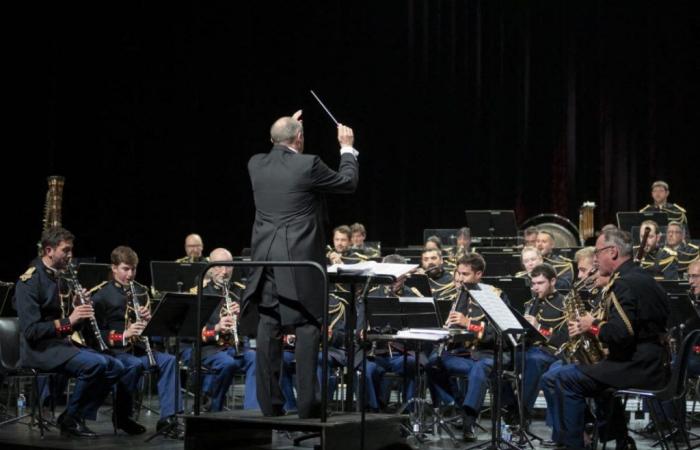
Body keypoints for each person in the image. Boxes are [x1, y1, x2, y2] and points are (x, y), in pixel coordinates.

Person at [241, 110, 359, 418]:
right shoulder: (309, 165)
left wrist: (292, 129)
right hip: (300, 264)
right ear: (300, 138)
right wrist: (346, 148)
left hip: (267, 260)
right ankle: (308, 405)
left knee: (269, 325)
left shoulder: (255, 164)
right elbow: (347, 182)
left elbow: (280, 152)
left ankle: (271, 405)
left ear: (272, 139)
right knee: (307, 326)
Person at [543, 228, 669, 449]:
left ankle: (574, 444)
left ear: (612, 252)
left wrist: (591, 325)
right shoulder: (643, 277)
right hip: (656, 362)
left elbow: (621, 334)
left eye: (598, 252)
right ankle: (619, 439)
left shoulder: (624, 283)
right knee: (584, 373)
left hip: (639, 366)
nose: (596, 259)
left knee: (565, 378)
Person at [15, 227, 123, 438]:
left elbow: (71, 327)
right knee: (96, 364)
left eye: (71, 250)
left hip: (60, 346)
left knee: (115, 366)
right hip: (39, 350)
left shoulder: (61, 279)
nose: (70, 256)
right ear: (49, 250)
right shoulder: (29, 281)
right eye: (66, 250)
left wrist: (78, 313)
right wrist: (69, 319)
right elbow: (31, 331)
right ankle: (72, 420)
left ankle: (73, 416)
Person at [91, 246, 183, 437]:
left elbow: (152, 330)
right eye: (125, 269)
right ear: (114, 268)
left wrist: (149, 321)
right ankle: (122, 417)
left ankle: (169, 419)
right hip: (115, 352)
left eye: (133, 269)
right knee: (132, 365)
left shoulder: (141, 291)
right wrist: (124, 334)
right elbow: (96, 334)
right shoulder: (101, 295)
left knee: (169, 361)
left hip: (139, 349)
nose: (130, 274)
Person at [424, 253, 510, 442]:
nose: (460, 279)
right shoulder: (461, 295)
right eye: (459, 274)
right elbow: (455, 329)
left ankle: (469, 421)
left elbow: (499, 335)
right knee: (432, 363)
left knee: (478, 369)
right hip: (464, 354)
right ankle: (457, 405)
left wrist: (467, 323)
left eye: (465, 274)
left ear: (479, 274)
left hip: (490, 353)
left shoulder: (495, 295)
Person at [195, 248, 258, 411]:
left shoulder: (239, 291)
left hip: (234, 347)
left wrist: (241, 317)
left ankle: (251, 413)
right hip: (209, 349)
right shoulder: (199, 293)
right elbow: (192, 332)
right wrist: (217, 328)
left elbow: (252, 328)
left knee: (256, 358)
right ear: (209, 267)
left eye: (228, 266)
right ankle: (214, 408)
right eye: (219, 266)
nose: (224, 272)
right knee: (227, 363)